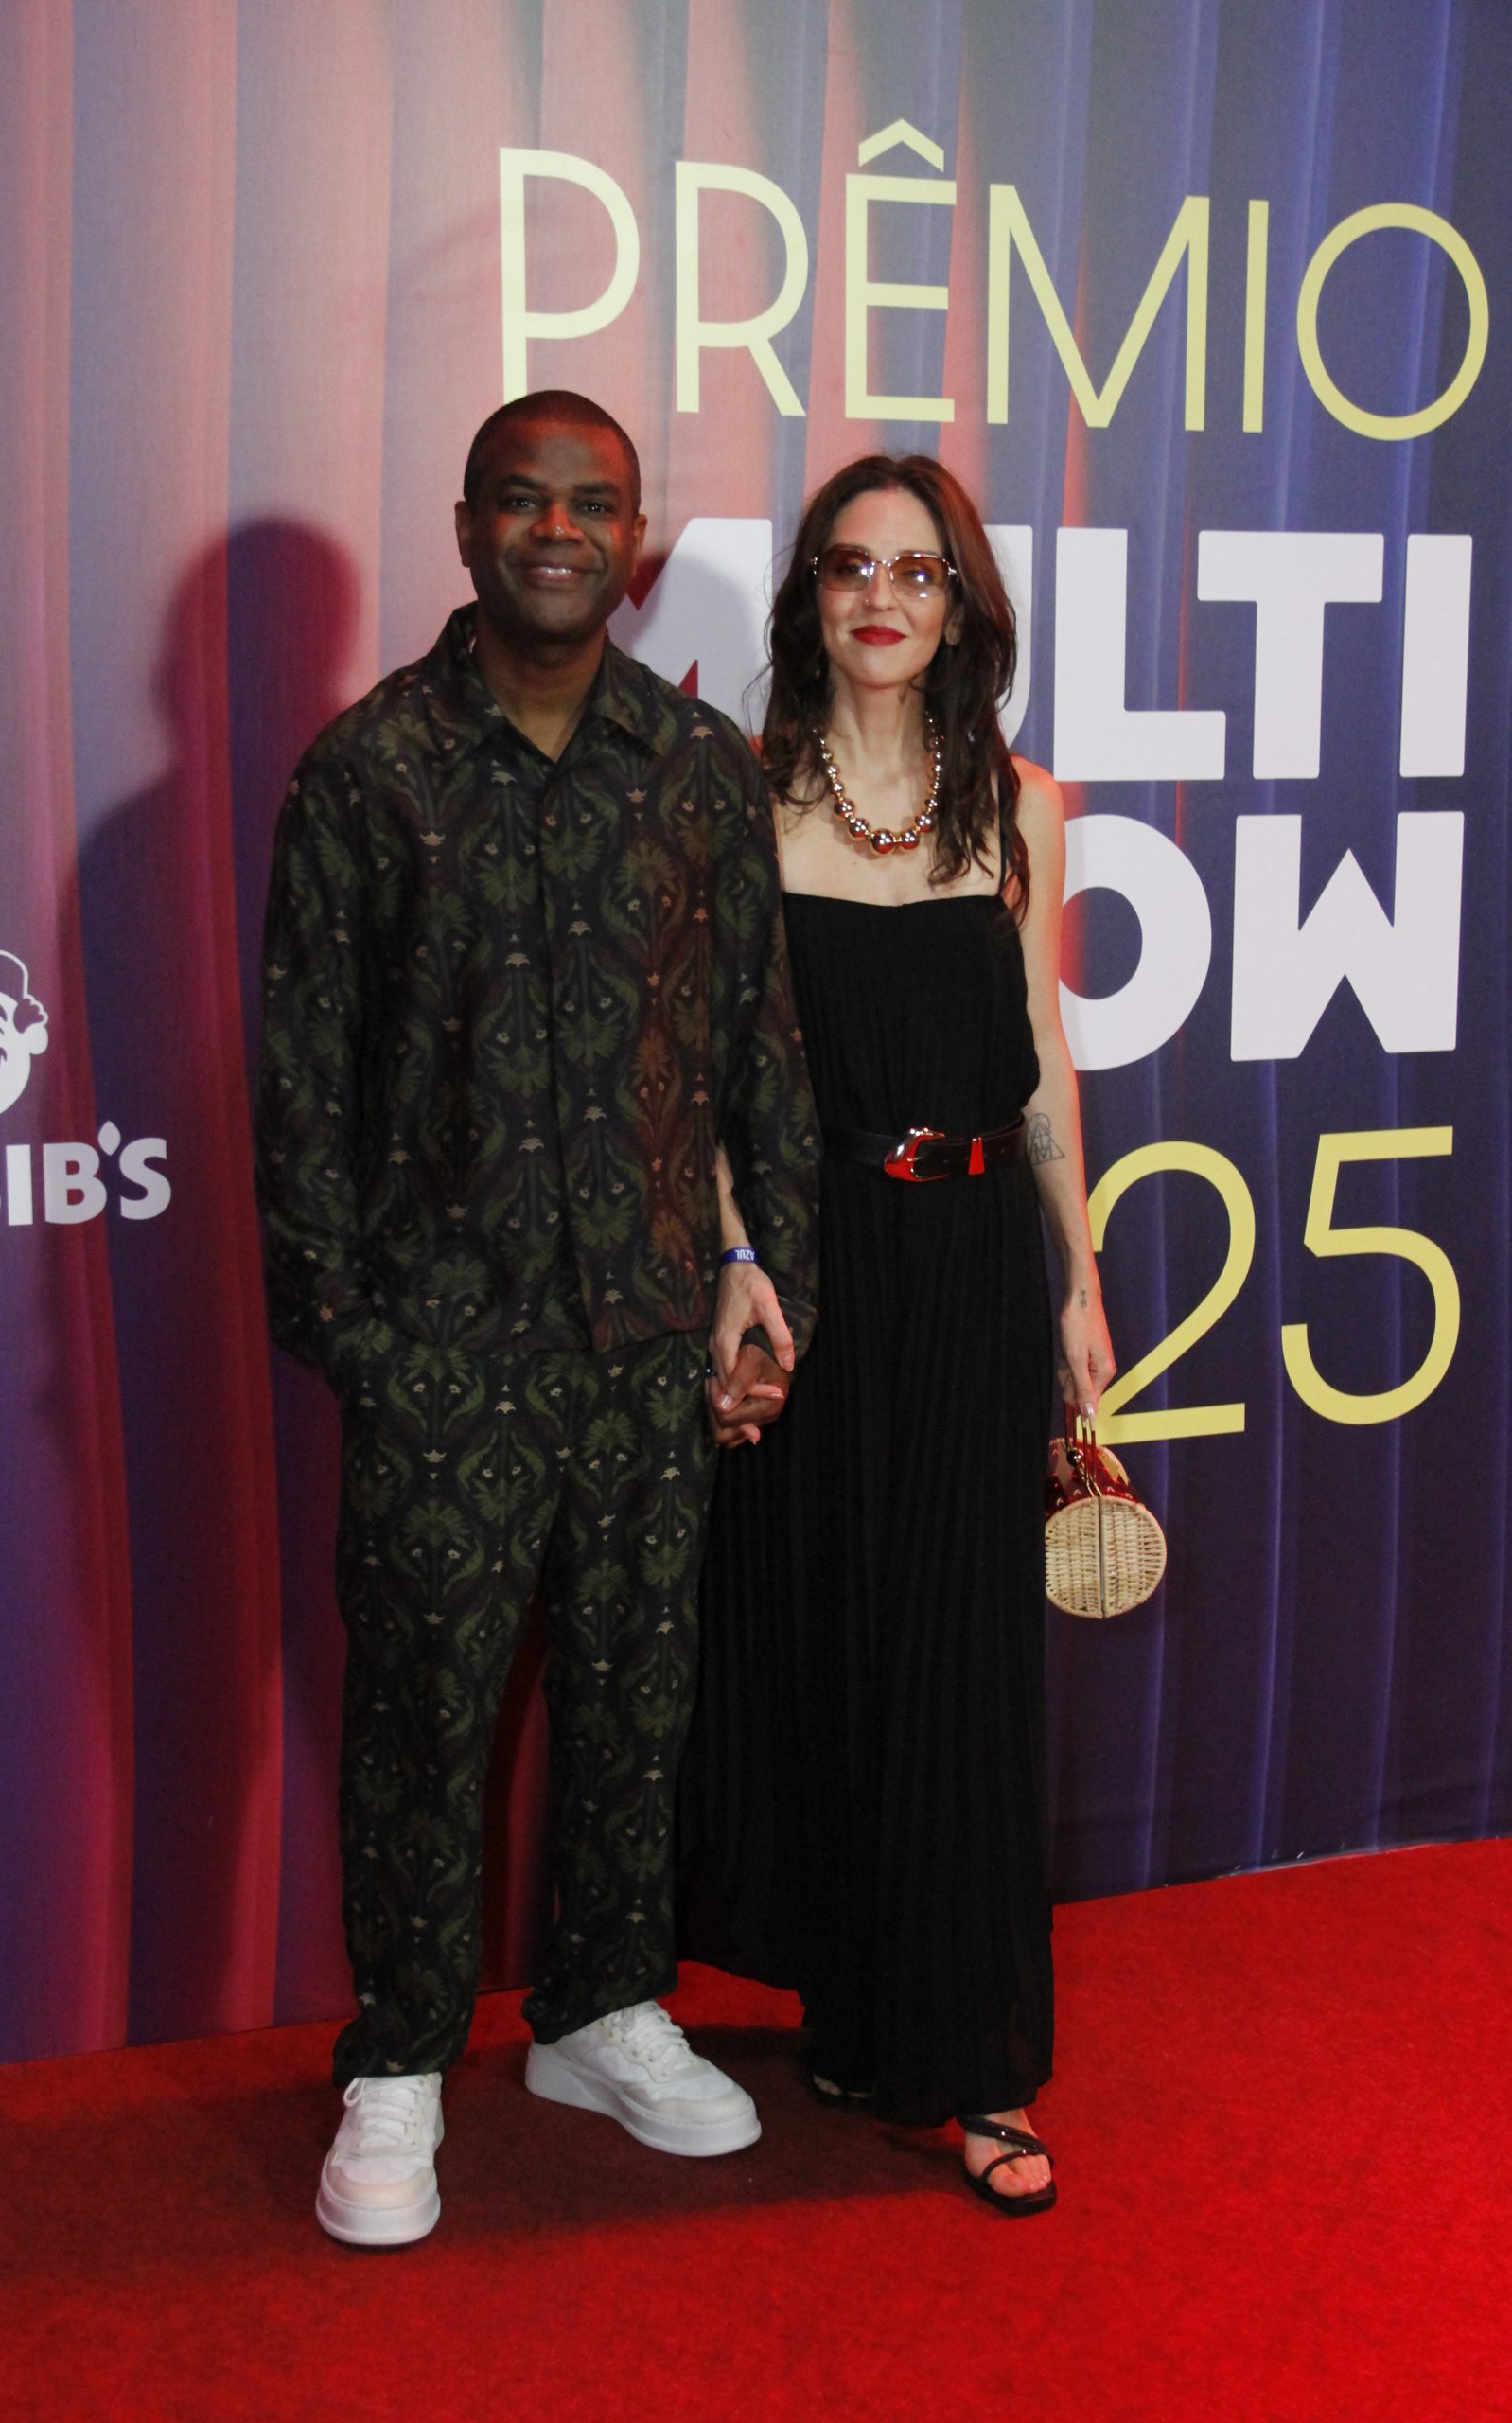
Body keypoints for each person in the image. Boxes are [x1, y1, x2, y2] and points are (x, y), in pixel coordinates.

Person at [255, 389, 819, 2246]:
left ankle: (597, 2007)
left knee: (634, 1704)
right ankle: (402, 2057)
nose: (558, 528)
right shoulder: (369, 771)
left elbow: (756, 1052)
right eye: (523, 497)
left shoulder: (696, 767)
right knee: (421, 1720)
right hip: (447, 1356)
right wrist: (370, 1348)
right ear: (466, 526)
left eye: (593, 503)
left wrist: (768, 1289)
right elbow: (301, 1094)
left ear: (633, 545)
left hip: (652, 1343)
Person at [685, 453, 1115, 2216]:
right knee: (827, 1637)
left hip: (966, 1267)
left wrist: (1078, 1278)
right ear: (810, 598)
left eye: (918, 572)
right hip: (809, 1268)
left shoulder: (1022, 807)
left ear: (962, 607)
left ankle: (985, 2064)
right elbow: (707, 1073)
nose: (883, 598)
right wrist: (735, 1258)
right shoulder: (740, 798)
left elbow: (1044, 1061)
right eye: (852, 568)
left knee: (961, 1660)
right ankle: (859, 2007)